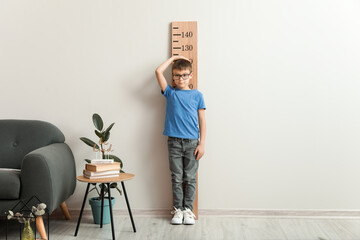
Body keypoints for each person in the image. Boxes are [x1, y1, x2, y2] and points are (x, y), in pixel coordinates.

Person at [155, 56, 206, 225]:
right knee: (176, 177)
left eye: (184, 75)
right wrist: (173, 59)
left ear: (190, 76)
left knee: (190, 178)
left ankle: (188, 211)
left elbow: (202, 121)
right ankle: (178, 210)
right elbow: (158, 71)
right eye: (177, 76)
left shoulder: (197, 95)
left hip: (192, 142)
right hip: (174, 143)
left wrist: (202, 143)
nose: (180, 79)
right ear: (173, 77)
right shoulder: (170, 92)